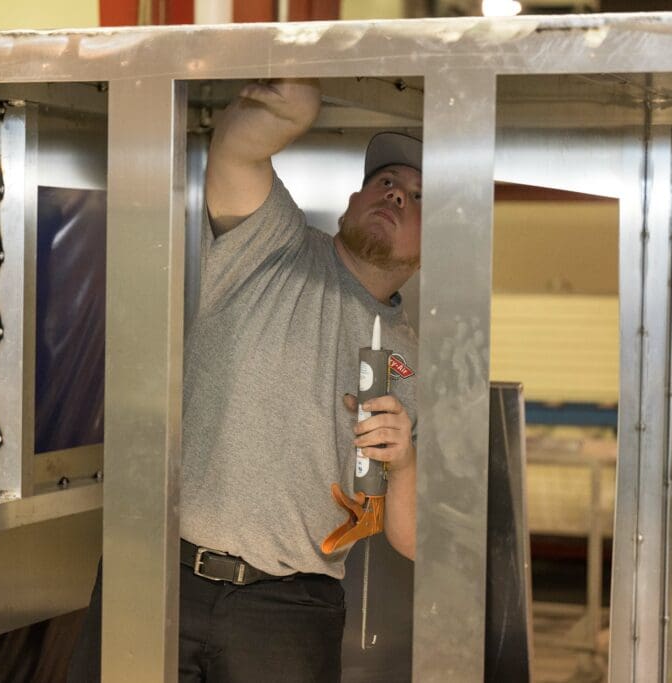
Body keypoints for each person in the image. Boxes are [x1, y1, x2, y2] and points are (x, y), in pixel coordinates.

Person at [69, 78, 422, 682]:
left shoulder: (417, 362)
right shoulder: (273, 241)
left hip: (288, 612)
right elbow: (237, 150)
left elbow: (415, 540)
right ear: (351, 201)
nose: (395, 196)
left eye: (418, 197)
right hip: (158, 574)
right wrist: (299, 99)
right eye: (385, 182)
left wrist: (407, 462)